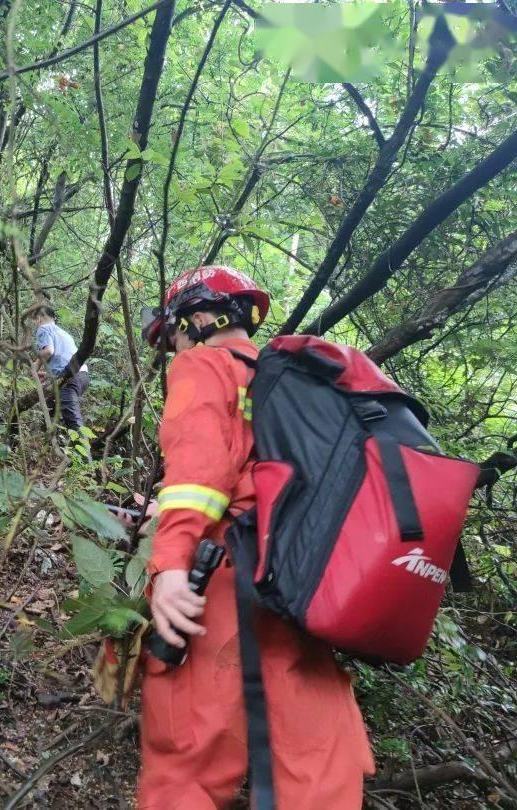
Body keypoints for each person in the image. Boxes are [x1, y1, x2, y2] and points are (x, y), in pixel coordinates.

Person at [135, 265, 373, 808]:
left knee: (186, 757)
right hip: (301, 583)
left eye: (172, 335)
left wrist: (170, 563)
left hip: (224, 584)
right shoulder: (290, 386)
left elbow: (201, 468)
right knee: (315, 761)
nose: (173, 350)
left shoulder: (204, 365)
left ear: (197, 317)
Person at [32, 304, 90, 430]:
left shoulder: (43, 329)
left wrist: (35, 365)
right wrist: (48, 375)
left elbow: (48, 351)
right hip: (82, 376)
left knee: (73, 421)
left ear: (39, 319)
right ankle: (49, 442)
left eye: (36, 321)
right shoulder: (64, 333)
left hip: (68, 378)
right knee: (50, 408)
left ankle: (84, 448)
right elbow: (63, 357)